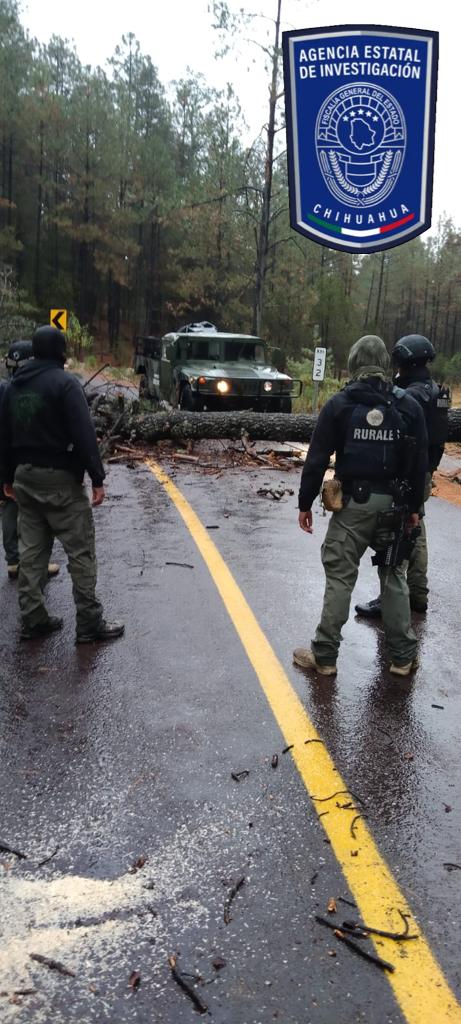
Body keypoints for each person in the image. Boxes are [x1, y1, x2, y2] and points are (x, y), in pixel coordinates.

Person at [293, 335, 428, 678]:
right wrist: (414, 508)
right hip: (394, 509)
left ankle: (324, 656)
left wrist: (305, 502)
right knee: (394, 576)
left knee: (339, 577)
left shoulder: (339, 405)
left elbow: (317, 457)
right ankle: (402, 658)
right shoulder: (408, 406)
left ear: (353, 364)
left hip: (351, 507)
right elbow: (419, 464)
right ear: (386, 364)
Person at [0, 325, 124, 643]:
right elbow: (84, 434)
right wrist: (97, 478)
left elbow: (4, 434)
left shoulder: (14, 387)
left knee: (31, 553)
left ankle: (34, 619)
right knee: (80, 552)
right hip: (60, 482)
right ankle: (89, 623)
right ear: (61, 352)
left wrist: (6, 478)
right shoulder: (66, 384)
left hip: (24, 480)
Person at [355, 334, 450, 618]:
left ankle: (390, 600)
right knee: (417, 530)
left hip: (406, 473)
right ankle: (417, 595)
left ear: (404, 360)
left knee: (396, 536)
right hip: (425, 471)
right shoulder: (437, 392)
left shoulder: (410, 396)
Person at [0, 340, 60, 581]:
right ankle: (35, 563)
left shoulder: (5, 387)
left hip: (5, 459)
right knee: (33, 512)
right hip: (21, 458)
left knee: (9, 505)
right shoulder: (20, 390)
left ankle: (14, 561)